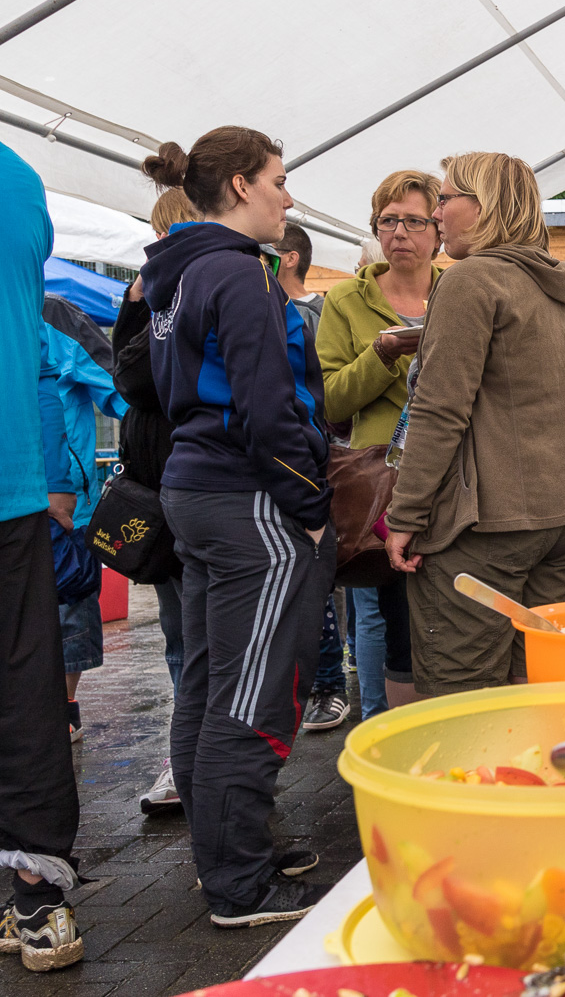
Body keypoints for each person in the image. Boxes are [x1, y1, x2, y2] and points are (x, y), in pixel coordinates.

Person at [140, 127, 334, 927]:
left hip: (196, 490)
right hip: (249, 497)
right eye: (279, 180)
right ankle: (239, 883)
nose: (288, 197)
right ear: (244, 184)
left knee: (209, 684)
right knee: (250, 696)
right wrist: (312, 508)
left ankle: (225, 856)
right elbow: (265, 408)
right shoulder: (238, 272)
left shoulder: (176, 271)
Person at [384, 152, 565, 696]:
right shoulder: (560, 288)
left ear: (484, 206)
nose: (436, 213)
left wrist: (406, 514)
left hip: (491, 525)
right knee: (534, 682)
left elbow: (439, 410)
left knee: (462, 694)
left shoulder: (472, 279)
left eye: (446, 199)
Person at [0, 140, 85, 972]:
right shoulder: (19, 179)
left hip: (17, 477)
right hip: (13, 476)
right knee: (26, 682)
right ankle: (37, 897)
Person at [320, 170, 440, 719]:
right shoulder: (346, 300)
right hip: (382, 484)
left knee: (447, 612)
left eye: (413, 221)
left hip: (452, 476)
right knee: (385, 616)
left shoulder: (459, 291)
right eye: (388, 221)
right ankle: (380, 725)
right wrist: (382, 355)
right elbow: (329, 400)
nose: (399, 233)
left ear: (436, 230)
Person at [112, 187, 198, 812]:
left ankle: (200, 760)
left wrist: (143, 301)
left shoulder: (193, 288)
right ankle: (185, 757)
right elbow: (127, 372)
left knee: (199, 639)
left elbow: (138, 377)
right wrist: (136, 302)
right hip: (158, 492)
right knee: (179, 635)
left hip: (193, 491)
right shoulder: (152, 293)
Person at [271, 225, 350, 733]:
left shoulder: (316, 313)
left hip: (312, 459)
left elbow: (320, 395)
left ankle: (328, 684)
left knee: (320, 579)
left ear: (290, 258)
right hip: (285, 460)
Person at [40, 292, 128, 741]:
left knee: (69, 604)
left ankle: (65, 705)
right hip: (17, 495)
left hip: (66, 504)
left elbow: (120, 391)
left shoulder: (56, 314)